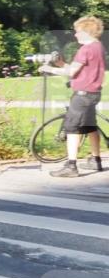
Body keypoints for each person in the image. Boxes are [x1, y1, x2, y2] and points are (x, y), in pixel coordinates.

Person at [40, 15, 105, 177]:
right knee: (90, 126)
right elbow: (80, 70)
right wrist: (61, 64)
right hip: (93, 93)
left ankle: (71, 166)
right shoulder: (98, 47)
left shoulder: (85, 49)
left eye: (77, 32)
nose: (75, 35)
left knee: (72, 128)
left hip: (81, 95)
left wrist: (50, 69)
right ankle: (96, 160)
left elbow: (71, 72)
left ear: (86, 32)